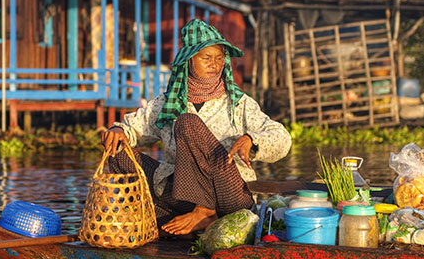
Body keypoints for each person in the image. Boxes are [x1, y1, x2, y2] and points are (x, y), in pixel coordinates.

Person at [100, 19, 291, 236]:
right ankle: (181, 218)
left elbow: (282, 138)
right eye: (206, 58)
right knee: (117, 154)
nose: (215, 64)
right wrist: (118, 131)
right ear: (190, 61)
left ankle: (206, 213)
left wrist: (251, 140)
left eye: (219, 58)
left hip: (230, 194)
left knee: (187, 122)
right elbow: (134, 127)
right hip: (185, 197)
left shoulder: (239, 103)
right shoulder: (167, 103)